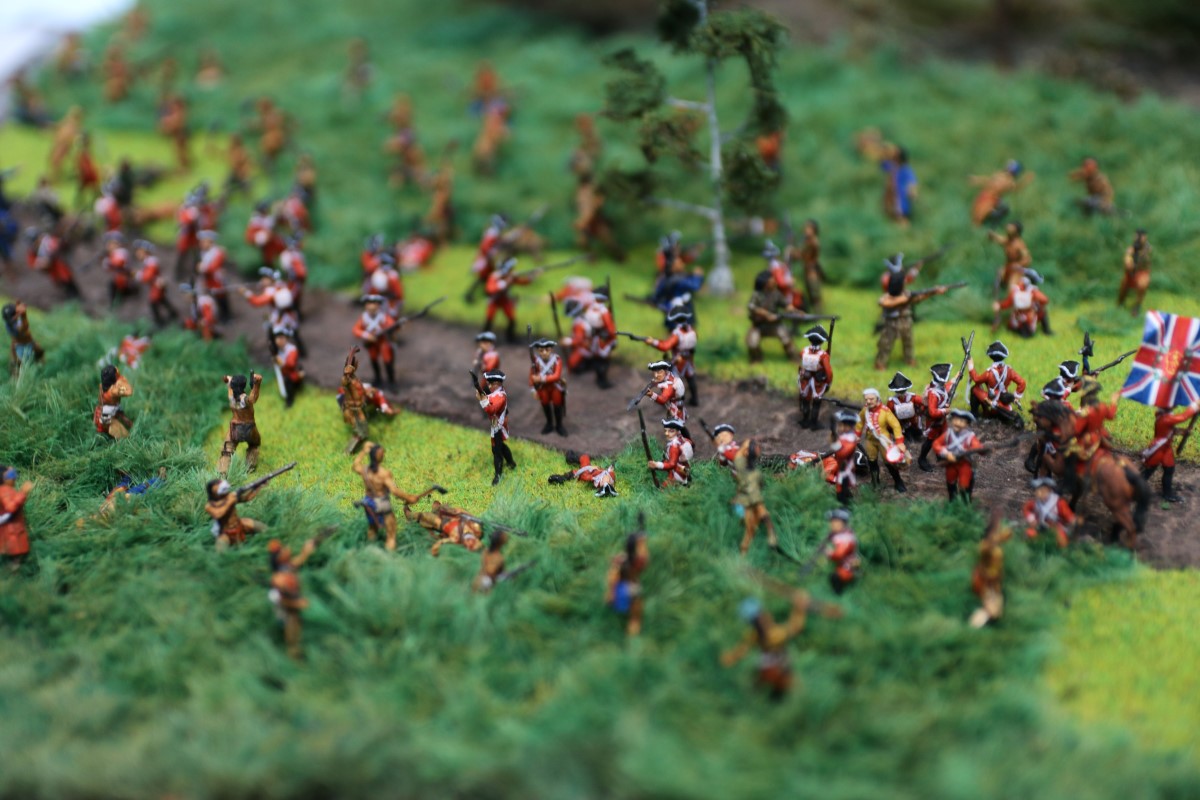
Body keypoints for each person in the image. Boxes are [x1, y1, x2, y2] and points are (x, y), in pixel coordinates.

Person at [720, 590, 837, 700]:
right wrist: (799, 607)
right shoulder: (773, 635)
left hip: (768, 667)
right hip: (776, 669)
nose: (767, 615)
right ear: (761, 618)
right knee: (796, 689)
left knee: (763, 689)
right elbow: (796, 627)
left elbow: (742, 649)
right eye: (763, 614)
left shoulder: (755, 635)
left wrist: (731, 657)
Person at [875, 254, 948, 370]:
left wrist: (934, 291)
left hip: (906, 321)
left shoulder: (907, 294)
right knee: (886, 344)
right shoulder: (889, 292)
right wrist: (902, 299)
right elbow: (883, 301)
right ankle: (880, 363)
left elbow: (919, 295)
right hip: (891, 323)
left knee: (908, 342)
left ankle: (909, 360)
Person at [352, 442, 423, 551]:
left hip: (368, 503)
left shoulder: (365, 470)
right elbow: (394, 490)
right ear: (381, 456)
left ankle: (370, 552)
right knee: (391, 534)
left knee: (372, 529)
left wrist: (363, 451)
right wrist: (409, 498)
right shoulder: (384, 473)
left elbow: (355, 465)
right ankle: (389, 556)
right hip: (382, 504)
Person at [267, 535, 321, 659]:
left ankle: (298, 649)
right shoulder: (279, 579)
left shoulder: (288, 568)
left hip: (294, 604)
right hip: (286, 609)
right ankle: (292, 652)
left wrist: (308, 548)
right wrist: (297, 603)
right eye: (283, 550)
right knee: (291, 628)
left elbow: (301, 558)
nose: (287, 549)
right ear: (278, 558)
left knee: (298, 625)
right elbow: (281, 599)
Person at [1141, 401, 1200, 503]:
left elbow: (1170, 430)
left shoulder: (1165, 416)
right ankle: (1131, 489)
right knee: (1148, 471)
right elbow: (1183, 417)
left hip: (1166, 448)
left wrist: (1183, 432)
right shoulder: (1165, 418)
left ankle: (1167, 494)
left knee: (1169, 469)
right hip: (1159, 448)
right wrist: (1195, 406)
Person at [731, 439, 779, 555]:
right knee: (750, 530)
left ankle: (744, 550)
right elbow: (756, 499)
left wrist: (748, 445)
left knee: (750, 530)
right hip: (745, 505)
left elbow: (739, 455)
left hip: (739, 503)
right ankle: (745, 551)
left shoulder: (740, 466)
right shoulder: (755, 475)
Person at [641, 310, 699, 406]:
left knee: (672, 381)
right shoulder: (692, 330)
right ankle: (694, 398)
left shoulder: (677, 334)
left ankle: (675, 401)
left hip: (678, 361)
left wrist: (653, 342)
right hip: (688, 359)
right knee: (690, 377)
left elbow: (665, 346)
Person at [857, 387, 907, 493]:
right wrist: (856, 435)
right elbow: (860, 422)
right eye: (866, 399)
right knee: (872, 461)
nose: (868, 401)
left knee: (889, 462)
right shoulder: (865, 410)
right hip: (870, 440)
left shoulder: (885, 411)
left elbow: (896, 425)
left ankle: (898, 481)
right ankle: (875, 482)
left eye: (871, 399)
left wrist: (899, 442)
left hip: (884, 441)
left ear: (877, 398)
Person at [933, 409, 986, 502]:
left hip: (964, 463)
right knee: (950, 481)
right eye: (956, 419)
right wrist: (946, 453)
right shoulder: (948, 434)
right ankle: (952, 501)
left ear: (967, 424)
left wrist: (981, 449)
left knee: (964, 484)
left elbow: (977, 446)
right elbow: (936, 444)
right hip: (951, 462)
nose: (957, 423)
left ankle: (965, 502)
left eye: (961, 421)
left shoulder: (970, 436)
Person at [969, 512, 1012, 628]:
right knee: (992, 610)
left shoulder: (994, 544)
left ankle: (986, 617)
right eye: (996, 532)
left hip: (993, 581)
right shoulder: (986, 547)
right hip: (986, 582)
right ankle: (975, 624)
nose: (998, 534)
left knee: (997, 609)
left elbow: (1002, 537)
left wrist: (1006, 533)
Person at [746, 270, 799, 363]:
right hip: (759, 325)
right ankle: (756, 359)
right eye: (772, 280)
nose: (774, 282)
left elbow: (785, 304)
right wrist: (766, 314)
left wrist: (792, 309)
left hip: (774, 325)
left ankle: (794, 358)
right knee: (752, 343)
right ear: (765, 283)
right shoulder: (757, 295)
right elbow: (751, 307)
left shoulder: (776, 294)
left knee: (787, 340)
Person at [968, 341, 1026, 427]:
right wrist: (1016, 397)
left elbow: (976, 379)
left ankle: (975, 413)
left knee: (975, 389)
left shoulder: (989, 373)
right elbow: (1022, 382)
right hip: (1004, 404)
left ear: (991, 356)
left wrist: (971, 366)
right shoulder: (1009, 370)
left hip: (991, 403)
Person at [606, 530, 649, 636]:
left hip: (626, 585)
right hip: (623, 590)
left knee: (634, 590)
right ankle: (634, 621)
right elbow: (613, 577)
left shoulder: (635, 559)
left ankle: (633, 619)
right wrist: (611, 592)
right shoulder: (625, 563)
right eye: (640, 545)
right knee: (635, 595)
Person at [218, 373, 263, 476]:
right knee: (253, 445)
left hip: (235, 429)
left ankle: (223, 470)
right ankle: (250, 466)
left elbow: (229, 381)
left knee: (227, 449)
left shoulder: (231, 396)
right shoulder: (244, 399)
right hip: (249, 428)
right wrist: (256, 385)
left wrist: (226, 379)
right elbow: (253, 398)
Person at [205, 477, 266, 550]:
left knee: (261, 527)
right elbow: (218, 514)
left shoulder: (230, 496)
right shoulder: (210, 506)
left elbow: (247, 498)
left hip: (239, 523)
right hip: (225, 532)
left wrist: (257, 487)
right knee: (220, 549)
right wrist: (230, 501)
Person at [477, 370, 516, 486]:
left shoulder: (500, 396)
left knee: (496, 450)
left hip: (499, 426)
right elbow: (489, 398)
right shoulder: (496, 394)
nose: (489, 386)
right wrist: (482, 397)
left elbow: (491, 410)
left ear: (497, 384)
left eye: (490, 384)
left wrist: (482, 399)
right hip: (496, 425)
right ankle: (511, 463)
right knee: (501, 446)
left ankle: (498, 474)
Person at [483, 257, 535, 342]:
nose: (513, 270)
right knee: (489, 318)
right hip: (494, 301)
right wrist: (505, 282)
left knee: (512, 319)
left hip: (505, 300)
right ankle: (485, 337)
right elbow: (490, 289)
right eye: (511, 269)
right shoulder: (494, 277)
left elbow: (523, 282)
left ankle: (510, 337)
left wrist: (531, 277)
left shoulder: (510, 277)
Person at [352, 294, 398, 389]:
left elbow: (392, 325)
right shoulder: (364, 318)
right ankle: (378, 379)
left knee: (387, 360)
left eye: (374, 303)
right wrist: (367, 335)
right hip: (372, 343)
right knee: (373, 359)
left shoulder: (383, 317)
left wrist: (393, 328)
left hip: (383, 341)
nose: (371, 306)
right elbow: (356, 330)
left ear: (378, 305)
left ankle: (391, 381)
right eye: (369, 303)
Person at [406, 501, 485, 556]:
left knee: (424, 516)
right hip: (453, 515)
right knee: (442, 508)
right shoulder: (476, 530)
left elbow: (440, 544)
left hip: (441, 522)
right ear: (477, 540)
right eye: (473, 542)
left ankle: (410, 515)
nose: (470, 542)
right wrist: (461, 511)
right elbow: (471, 517)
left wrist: (434, 549)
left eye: (470, 546)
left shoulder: (456, 539)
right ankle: (436, 509)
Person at [970, 160, 1032, 225]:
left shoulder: (1007, 180)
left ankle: (991, 223)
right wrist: (976, 180)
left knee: (980, 216)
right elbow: (989, 181)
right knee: (978, 215)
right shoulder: (1004, 178)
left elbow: (1015, 188)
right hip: (987, 196)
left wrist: (1025, 181)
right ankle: (989, 223)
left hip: (991, 199)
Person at [133, 240, 178, 326]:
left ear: (145, 252)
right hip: (155, 286)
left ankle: (159, 322)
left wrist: (137, 275)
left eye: (139, 252)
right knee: (162, 300)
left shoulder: (151, 262)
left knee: (154, 303)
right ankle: (173, 314)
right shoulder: (148, 262)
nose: (137, 254)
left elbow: (148, 276)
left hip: (156, 286)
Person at [796, 325, 833, 429]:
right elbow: (828, 372)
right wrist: (828, 381)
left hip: (805, 378)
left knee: (806, 400)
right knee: (816, 402)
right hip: (818, 381)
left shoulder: (803, 351)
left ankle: (805, 420)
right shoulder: (823, 355)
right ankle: (813, 423)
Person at [918, 363, 953, 472]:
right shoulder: (933, 393)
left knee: (943, 436)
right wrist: (945, 410)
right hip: (934, 420)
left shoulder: (940, 387)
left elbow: (948, 387)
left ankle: (940, 455)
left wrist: (956, 377)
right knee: (930, 440)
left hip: (942, 419)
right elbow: (932, 412)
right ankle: (922, 459)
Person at [994, 271, 1050, 337]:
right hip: (1027, 321)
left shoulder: (1015, 291)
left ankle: (1016, 329)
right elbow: (1045, 300)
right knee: (1042, 312)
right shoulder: (1033, 292)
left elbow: (1006, 304)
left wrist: (999, 305)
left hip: (1015, 322)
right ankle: (1047, 331)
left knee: (1016, 317)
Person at [529, 339, 567, 436]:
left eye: (547, 350)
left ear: (551, 350)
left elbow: (556, 376)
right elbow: (531, 375)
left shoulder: (557, 360)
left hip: (555, 386)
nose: (544, 352)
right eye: (541, 350)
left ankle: (559, 425)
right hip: (543, 388)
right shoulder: (536, 361)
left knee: (557, 405)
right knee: (545, 404)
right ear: (538, 351)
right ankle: (549, 424)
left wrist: (541, 378)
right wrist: (533, 390)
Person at [27, 227, 79, 297]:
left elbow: (56, 245)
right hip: (53, 273)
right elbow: (34, 264)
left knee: (69, 283)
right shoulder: (33, 251)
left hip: (61, 267)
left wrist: (51, 255)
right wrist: (42, 263)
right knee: (63, 286)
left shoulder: (48, 241)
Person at [1023, 477, 1074, 548]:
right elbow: (1027, 508)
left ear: (1049, 490)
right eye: (1037, 491)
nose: (1038, 493)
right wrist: (1031, 518)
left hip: (1055, 527)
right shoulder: (1036, 503)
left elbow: (1068, 515)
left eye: (1042, 490)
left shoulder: (1058, 503)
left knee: (1061, 539)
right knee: (1029, 534)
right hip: (1040, 526)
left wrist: (1072, 521)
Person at [547, 451, 617, 498]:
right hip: (592, 471)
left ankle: (564, 476)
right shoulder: (607, 473)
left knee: (582, 470)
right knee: (584, 462)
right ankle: (573, 460)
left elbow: (583, 474)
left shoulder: (607, 476)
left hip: (590, 474)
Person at [988, 221, 1032, 293]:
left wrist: (1019, 264)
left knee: (1011, 288)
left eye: (1012, 227)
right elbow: (1000, 239)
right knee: (999, 274)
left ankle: (1012, 296)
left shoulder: (1019, 245)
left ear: (1016, 232)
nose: (1008, 228)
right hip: (1008, 266)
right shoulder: (1008, 240)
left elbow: (1028, 259)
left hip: (1017, 270)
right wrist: (993, 235)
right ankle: (995, 296)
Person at [196, 230, 231, 321]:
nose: (201, 244)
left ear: (210, 242)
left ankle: (226, 316)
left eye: (204, 242)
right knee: (211, 298)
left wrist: (203, 268)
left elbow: (214, 267)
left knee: (221, 298)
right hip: (208, 280)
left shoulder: (217, 252)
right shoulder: (204, 252)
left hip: (217, 280)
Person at [648, 418, 693, 488]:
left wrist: (657, 465)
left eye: (671, 431)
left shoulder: (674, 446)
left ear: (678, 432)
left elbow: (672, 464)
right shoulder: (681, 439)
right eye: (665, 430)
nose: (666, 433)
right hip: (682, 468)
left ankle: (682, 483)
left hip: (678, 471)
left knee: (664, 489)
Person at [340, 348, 370, 453]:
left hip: (360, 406)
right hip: (353, 408)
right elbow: (344, 382)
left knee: (364, 427)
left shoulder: (355, 378)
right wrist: (351, 354)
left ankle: (361, 437)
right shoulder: (346, 379)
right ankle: (349, 450)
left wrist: (367, 392)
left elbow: (360, 390)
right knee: (359, 429)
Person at [886, 371, 926, 445]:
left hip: (913, 420)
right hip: (900, 423)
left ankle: (918, 434)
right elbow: (888, 414)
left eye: (903, 390)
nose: (901, 393)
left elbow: (923, 403)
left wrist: (920, 410)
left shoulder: (913, 397)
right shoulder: (892, 402)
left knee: (918, 431)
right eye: (899, 391)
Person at [825, 508, 859, 594]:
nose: (832, 524)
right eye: (831, 522)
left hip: (848, 568)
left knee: (835, 577)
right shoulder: (840, 534)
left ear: (843, 523)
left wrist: (829, 553)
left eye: (835, 522)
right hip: (841, 565)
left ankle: (838, 593)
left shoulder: (846, 537)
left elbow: (839, 554)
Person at [880, 145, 917, 226]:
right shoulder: (893, 166)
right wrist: (884, 153)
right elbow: (883, 165)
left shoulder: (906, 169)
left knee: (900, 214)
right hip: (891, 195)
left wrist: (912, 192)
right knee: (889, 212)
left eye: (895, 156)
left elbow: (912, 183)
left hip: (901, 196)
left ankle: (904, 225)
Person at [1117, 229, 1151, 315]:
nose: (1139, 239)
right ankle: (1120, 303)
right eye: (1137, 236)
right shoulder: (1131, 249)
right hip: (1130, 273)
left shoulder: (1148, 249)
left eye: (1141, 236)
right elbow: (1127, 259)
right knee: (1123, 287)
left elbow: (1147, 261)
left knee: (1142, 285)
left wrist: (1142, 256)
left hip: (1142, 272)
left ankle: (1137, 306)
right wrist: (1128, 260)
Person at [94, 365, 133, 440]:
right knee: (122, 434)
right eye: (116, 373)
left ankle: (105, 427)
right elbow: (129, 391)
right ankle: (105, 434)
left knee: (120, 415)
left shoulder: (103, 386)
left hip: (110, 407)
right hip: (110, 409)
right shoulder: (113, 390)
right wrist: (121, 380)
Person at [3, 302, 44, 372]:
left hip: (28, 342)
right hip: (20, 344)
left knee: (39, 352)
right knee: (18, 362)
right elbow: (22, 330)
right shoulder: (10, 325)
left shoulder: (16, 320)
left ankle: (39, 366)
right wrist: (23, 316)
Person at [830, 411, 860, 505]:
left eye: (841, 425)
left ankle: (844, 505)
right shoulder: (843, 437)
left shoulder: (851, 439)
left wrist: (835, 443)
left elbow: (843, 453)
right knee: (842, 487)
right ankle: (846, 499)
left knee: (841, 489)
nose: (839, 427)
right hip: (841, 466)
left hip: (846, 468)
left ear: (849, 426)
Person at [763, 240, 801, 310]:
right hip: (783, 293)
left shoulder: (777, 265)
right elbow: (781, 283)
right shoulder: (776, 266)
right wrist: (790, 282)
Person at [272, 329, 304, 408]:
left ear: (285, 339)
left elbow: (291, 364)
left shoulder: (292, 349)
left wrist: (281, 362)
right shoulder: (278, 350)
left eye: (281, 338)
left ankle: (290, 401)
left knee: (289, 381)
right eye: (277, 339)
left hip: (292, 373)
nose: (279, 341)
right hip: (284, 373)